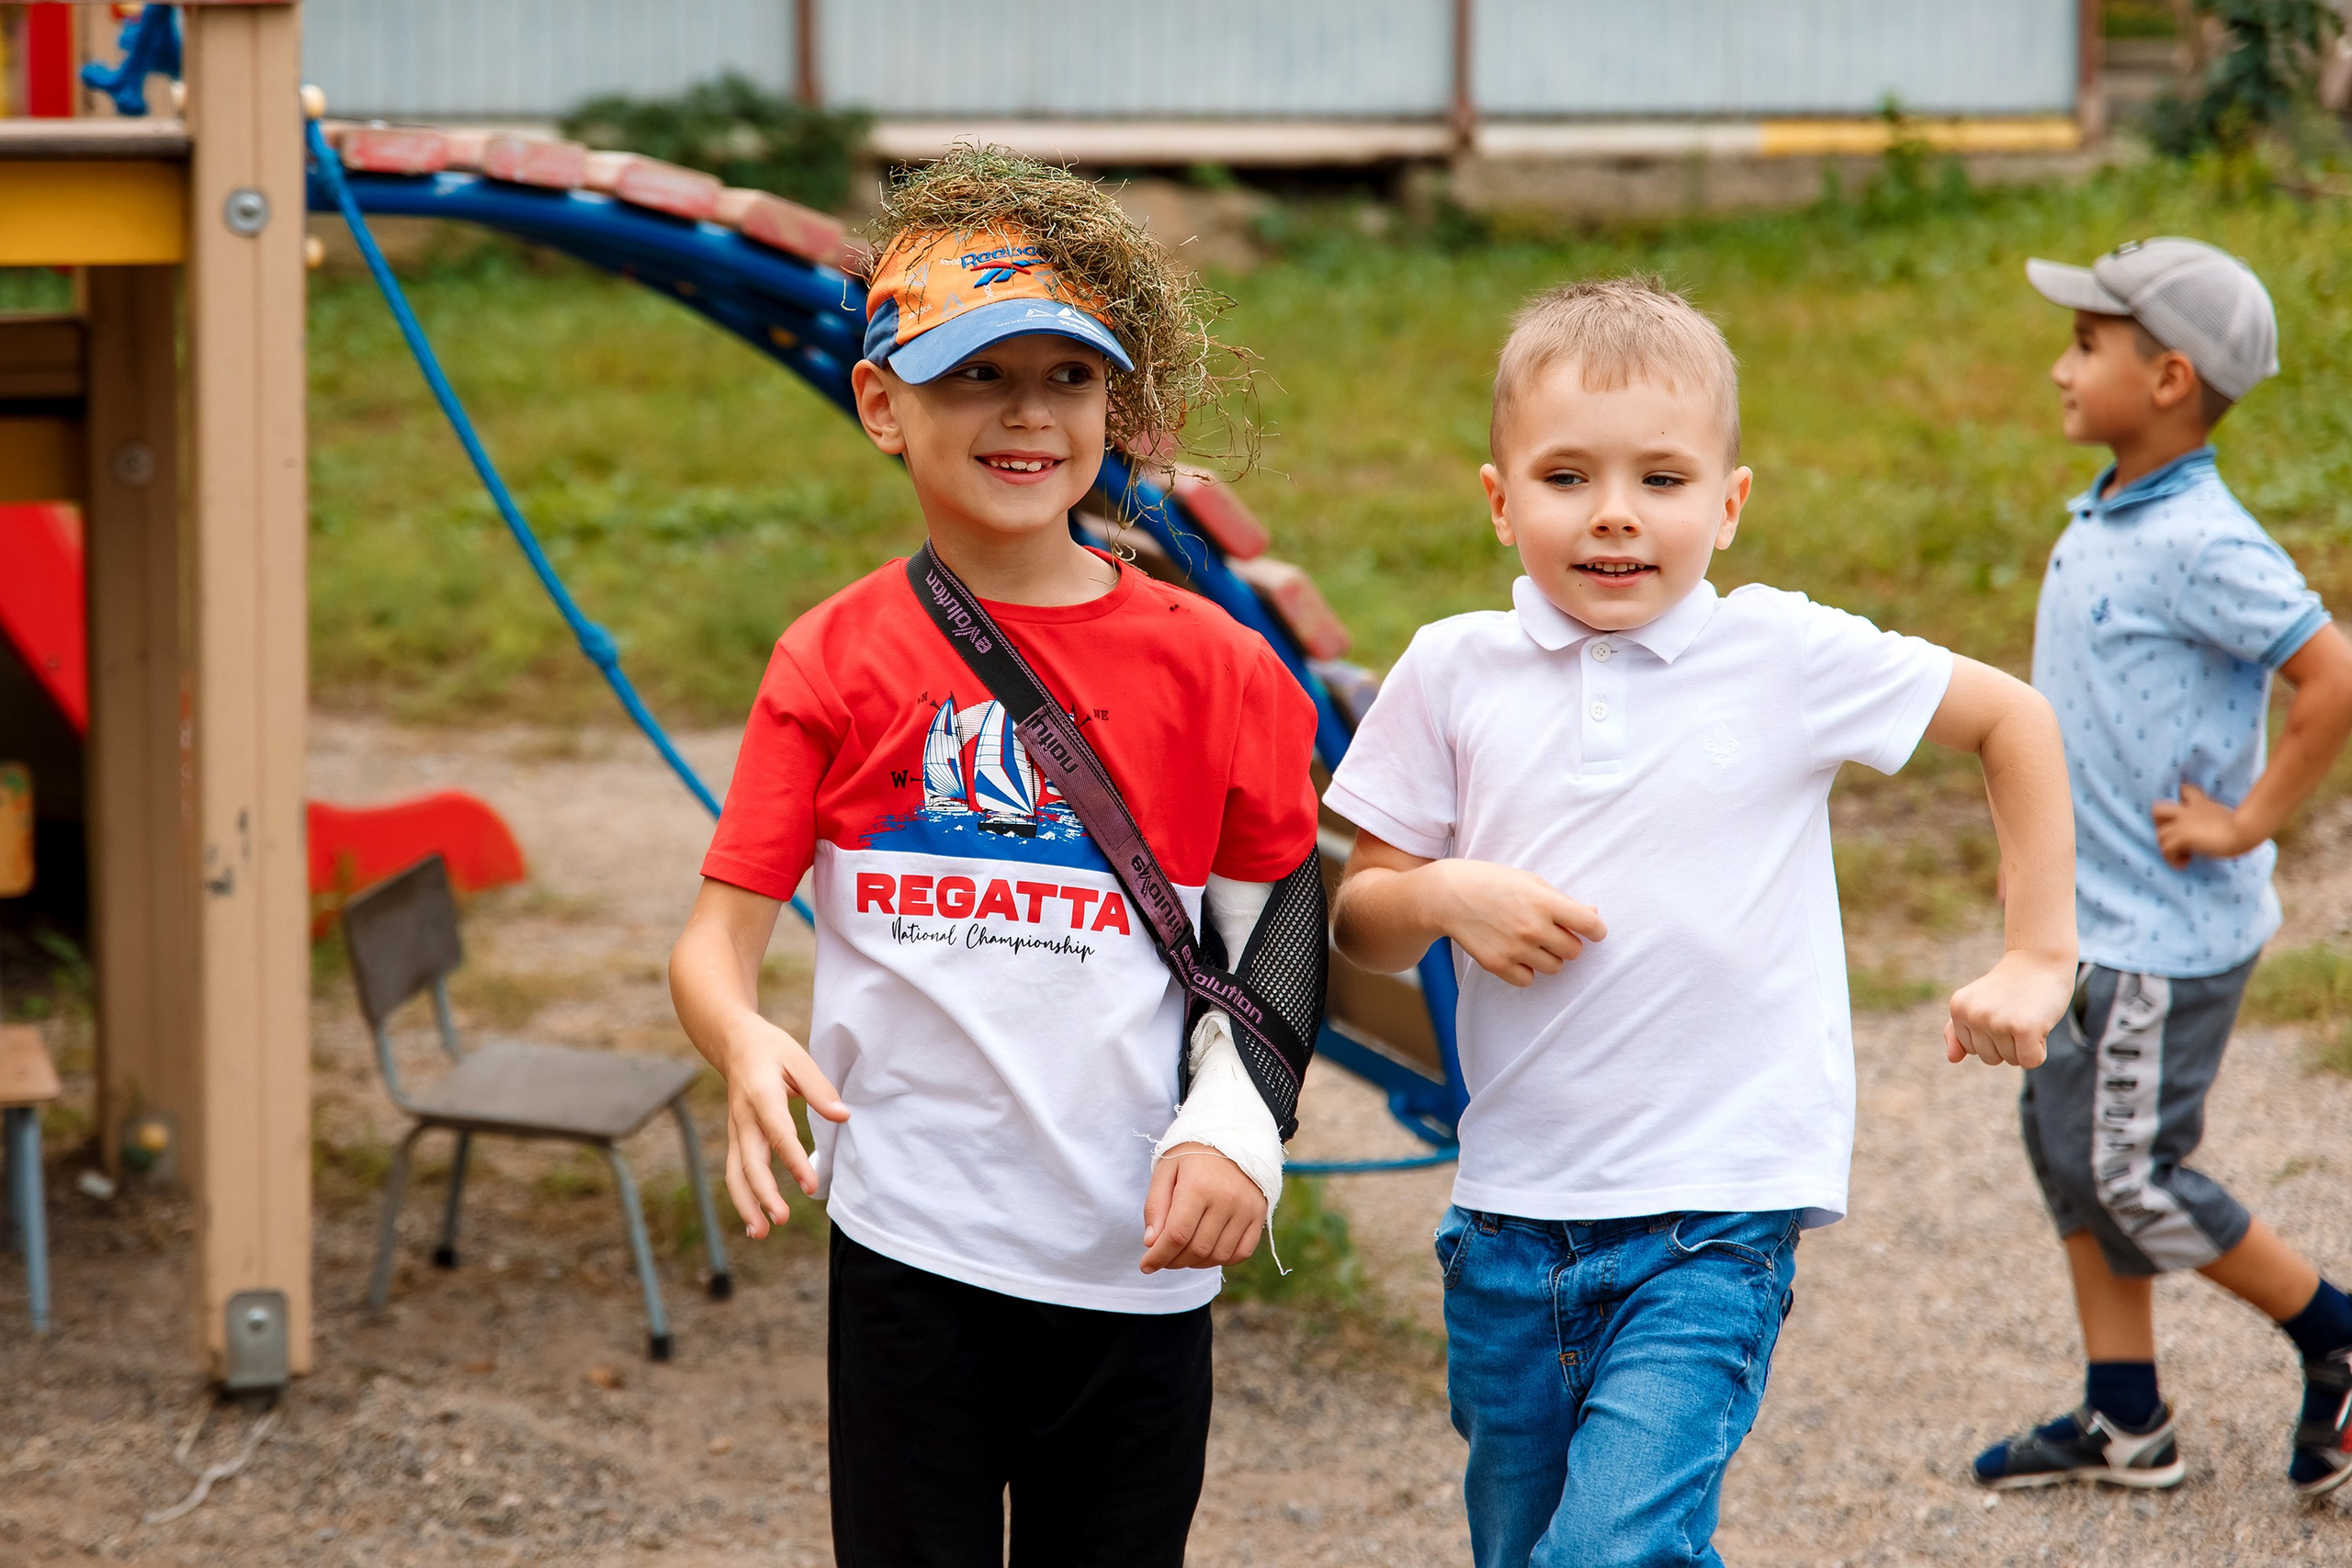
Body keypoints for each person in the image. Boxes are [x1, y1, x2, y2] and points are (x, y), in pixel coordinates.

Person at [1325, 276, 2078, 1568]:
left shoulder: (1784, 655)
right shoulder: (1451, 669)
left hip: (1716, 1222)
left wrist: (2037, 953)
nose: (1615, 512)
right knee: (1526, 1549)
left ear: (1729, 506)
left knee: (1604, 1553)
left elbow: (2014, 719)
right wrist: (1446, 894)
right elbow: (1365, 922)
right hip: (1507, 1225)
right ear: (1500, 500)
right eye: (1567, 477)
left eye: (1662, 479)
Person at [668, 147, 1325, 1565]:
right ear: (881, 404)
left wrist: (1238, 1124)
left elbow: (1279, 917)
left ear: (1117, 407)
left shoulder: (1222, 667)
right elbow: (716, 940)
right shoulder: (831, 659)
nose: (1028, 413)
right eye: (976, 375)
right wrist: (739, 1037)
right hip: (912, 1252)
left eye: (1069, 377)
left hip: (1137, 1267)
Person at [1970, 237, 2352, 1497]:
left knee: (2129, 1175)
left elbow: (2331, 676)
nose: (2060, 367)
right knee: (2069, 1154)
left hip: (2161, 937)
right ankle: (2125, 1415)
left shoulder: (2202, 539)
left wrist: (2245, 823)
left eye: (2087, 345)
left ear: (2171, 379)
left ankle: (2338, 1334)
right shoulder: (2116, 508)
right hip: (2086, 924)